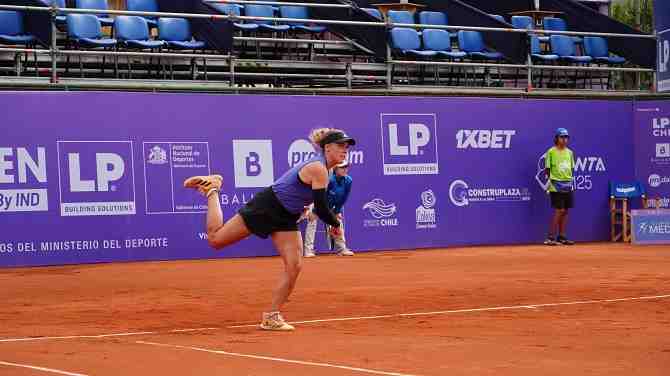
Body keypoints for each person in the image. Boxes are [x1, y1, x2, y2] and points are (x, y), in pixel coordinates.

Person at [183, 128, 355, 331]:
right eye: (340, 146)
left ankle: (272, 316)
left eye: (347, 146)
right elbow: (321, 207)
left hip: (287, 216)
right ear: (327, 148)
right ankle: (212, 189)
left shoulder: (325, 169)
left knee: (294, 265)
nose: (345, 150)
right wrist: (335, 225)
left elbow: (316, 204)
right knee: (215, 239)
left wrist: (329, 221)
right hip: (268, 207)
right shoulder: (318, 168)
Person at [303, 160, 354, 257]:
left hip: (331, 205)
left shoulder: (349, 181)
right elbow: (321, 196)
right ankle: (308, 250)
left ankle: (341, 248)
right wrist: (315, 211)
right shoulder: (329, 180)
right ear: (336, 169)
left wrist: (337, 211)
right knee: (312, 221)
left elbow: (344, 198)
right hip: (318, 202)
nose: (345, 169)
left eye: (346, 167)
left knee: (337, 222)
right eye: (342, 167)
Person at [544, 128, 576, 246]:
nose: (564, 139)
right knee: (559, 210)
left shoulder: (570, 153)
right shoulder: (551, 152)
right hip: (555, 185)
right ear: (556, 138)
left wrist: (571, 183)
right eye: (562, 137)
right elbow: (547, 169)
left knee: (566, 211)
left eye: (566, 137)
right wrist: (550, 183)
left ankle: (561, 237)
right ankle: (550, 237)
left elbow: (572, 169)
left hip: (568, 184)